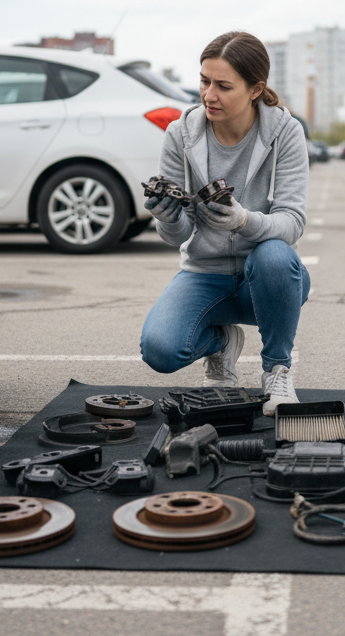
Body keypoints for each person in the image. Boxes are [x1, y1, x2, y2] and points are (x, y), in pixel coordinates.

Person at [139, 31, 310, 415]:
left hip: (268, 281)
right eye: (204, 81)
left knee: (275, 256)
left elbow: (292, 222)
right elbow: (178, 234)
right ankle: (221, 343)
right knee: (160, 350)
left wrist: (243, 220)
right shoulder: (180, 134)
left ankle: (277, 370)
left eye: (223, 86)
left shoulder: (286, 133)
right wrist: (167, 220)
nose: (208, 95)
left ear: (255, 89)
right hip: (205, 274)